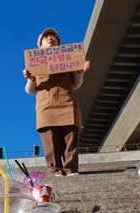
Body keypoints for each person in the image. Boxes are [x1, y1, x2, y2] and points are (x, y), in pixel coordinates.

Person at [23, 27, 90, 176]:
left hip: (67, 102)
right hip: (45, 106)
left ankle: (70, 169)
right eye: (46, 37)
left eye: (53, 36)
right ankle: (55, 171)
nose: (50, 38)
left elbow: (76, 84)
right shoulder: (34, 63)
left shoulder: (68, 58)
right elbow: (29, 90)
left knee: (70, 140)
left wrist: (79, 73)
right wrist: (31, 79)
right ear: (40, 46)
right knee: (50, 143)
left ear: (59, 43)